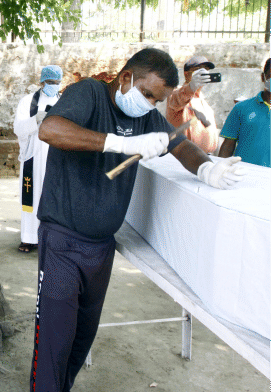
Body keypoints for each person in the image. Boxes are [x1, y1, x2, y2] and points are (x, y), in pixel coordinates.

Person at [29, 48, 247, 392]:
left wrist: (206, 168)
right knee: (54, 343)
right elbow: (51, 130)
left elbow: (178, 143)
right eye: (147, 94)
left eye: (157, 100)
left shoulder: (145, 115)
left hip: (101, 249)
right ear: (126, 77)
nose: (150, 104)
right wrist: (117, 143)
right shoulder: (89, 93)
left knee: (80, 340)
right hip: (62, 242)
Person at [13, 65, 63, 253]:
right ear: (42, 81)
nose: (54, 86)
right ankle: (29, 238)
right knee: (31, 197)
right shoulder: (28, 102)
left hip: (56, 156)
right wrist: (36, 120)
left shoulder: (64, 100)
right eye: (50, 82)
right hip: (33, 156)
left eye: (57, 83)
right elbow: (18, 128)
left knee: (54, 197)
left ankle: (51, 240)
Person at [218, 58, 271, 167]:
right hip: (245, 175)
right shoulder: (241, 108)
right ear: (263, 77)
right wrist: (220, 169)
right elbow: (228, 145)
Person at [166, 55, 219, 153]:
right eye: (198, 69)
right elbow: (180, 97)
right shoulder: (176, 94)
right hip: (185, 156)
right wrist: (191, 86)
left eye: (206, 69)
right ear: (187, 74)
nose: (203, 72)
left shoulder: (200, 98)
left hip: (205, 155)